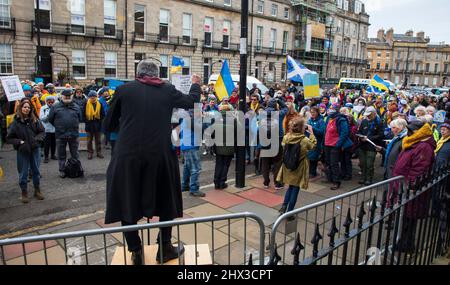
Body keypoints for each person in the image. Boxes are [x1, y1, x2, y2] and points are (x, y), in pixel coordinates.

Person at [103, 60, 202, 265]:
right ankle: (164, 247)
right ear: (157, 74)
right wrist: (195, 83)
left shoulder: (123, 90)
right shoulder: (167, 90)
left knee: (127, 199)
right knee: (166, 199)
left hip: (127, 154)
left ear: (138, 74)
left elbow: (108, 124)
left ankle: (136, 251)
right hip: (159, 153)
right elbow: (193, 100)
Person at [392, 120, 436, 253]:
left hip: (410, 190)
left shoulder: (423, 146)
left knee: (408, 220)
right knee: (404, 218)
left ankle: (406, 245)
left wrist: (409, 186)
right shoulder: (415, 142)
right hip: (403, 187)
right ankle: (402, 243)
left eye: (412, 130)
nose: (409, 132)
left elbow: (419, 170)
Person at [6, 99, 45, 203]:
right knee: (23, 173)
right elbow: (9, 138)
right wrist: (20, 142)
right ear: (21, 108)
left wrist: (36, 140)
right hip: (22, 151)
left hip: (34, 149)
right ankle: (24, 192)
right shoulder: (15, 123)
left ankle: (37, 190)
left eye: (28, 107)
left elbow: (42, 132)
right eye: (24, 107)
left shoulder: (35, 120)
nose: (26, 109)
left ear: (31, 109)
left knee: (36, 171)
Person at [277, 118, 317, 219]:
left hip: (287, 166)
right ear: (301, 128)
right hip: (299, 166)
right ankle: (289, 212)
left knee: (290, 187)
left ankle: (284, 206)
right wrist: (311, 133)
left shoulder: (286, 137)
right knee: (295, 188)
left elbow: (283, 146)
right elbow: (313, 146)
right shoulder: (304, 140)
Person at [48, 89, 82, 178]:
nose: (67, 97)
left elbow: (80, 118)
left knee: (75, 153)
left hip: (73, 134)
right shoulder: (55, 107)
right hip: (60, 135)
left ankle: (75, 168)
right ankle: (62, 170)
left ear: (71, 96)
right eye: (65, 96)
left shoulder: (76, 106)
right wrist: (59, 127)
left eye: (69, 96)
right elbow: (50, 119)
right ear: (61, 96)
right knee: (61, 154)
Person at [324, 104, 352, 190]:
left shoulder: (341, 119)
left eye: (332, 109)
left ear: (336, 110)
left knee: (334, 163)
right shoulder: (329, 118)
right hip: (327, 144)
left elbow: (344, 133)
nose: (330, 110)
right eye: (330, 108)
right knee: (328, 162)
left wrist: (338, 145)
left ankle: (336, 181)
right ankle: (331, 178)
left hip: (334, 145)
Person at [357, 106, 384, 186]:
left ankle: (369, 179)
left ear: (374, 113)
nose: (368, 116)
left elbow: (381, 135)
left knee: (369, 164)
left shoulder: (379, 122)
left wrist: (369, 138)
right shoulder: (364, 121)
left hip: (372, 146)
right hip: (362, 145)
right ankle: (363, 177)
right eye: (367, 115)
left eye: (369, 115)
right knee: (362, 163)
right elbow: (360, 131)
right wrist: (360, 136)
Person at [213, 105, 235, 190]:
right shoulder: (233, 120)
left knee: (218, 164)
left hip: (218, 146)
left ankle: (216, 182)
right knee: (225, 164)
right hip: (229, 146)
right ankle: (222, 182)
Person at [83, 91, 105, 160]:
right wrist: (87, 121)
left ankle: (98, 152)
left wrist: (99, 120)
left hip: (97, 125)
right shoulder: (86, 104)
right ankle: (90, 152)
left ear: (96, 97)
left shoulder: (99, 104)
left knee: (98, 140)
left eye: (94, 96)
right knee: (89, 140)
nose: (92, 97)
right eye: (91, 96)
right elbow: (83, 115)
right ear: (89, 97)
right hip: (89, 125)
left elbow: (103, 114)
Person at [307, 107, 325, 178]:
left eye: (314, 112)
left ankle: (312, 173)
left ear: (317, 112)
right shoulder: (310, 120)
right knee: (309, 157)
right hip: (310, 141)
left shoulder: (321, 121)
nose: (312, 114)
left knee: (314, 158)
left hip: (317, 142)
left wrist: (312, 128)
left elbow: (321, 132)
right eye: (311, 112)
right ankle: (311, 171)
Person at [39, 96, 57, 163]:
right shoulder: (43, 108)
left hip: (54, 128)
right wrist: (49, 115)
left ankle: (53, 155)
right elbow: (41, 118)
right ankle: (46, 157)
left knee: (54, 143)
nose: (51, 103)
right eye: (49, 101)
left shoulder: (55, 108)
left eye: (52, 102)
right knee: (47, 144)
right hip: (46, 128)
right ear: (46, 101)